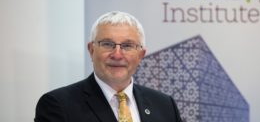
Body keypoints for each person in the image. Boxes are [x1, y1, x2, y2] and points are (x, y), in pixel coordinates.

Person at [34, 11, 182, 122]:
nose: (117, 55)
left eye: (127, 45)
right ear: (91, 50)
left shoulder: (165, 105)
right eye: (107, 44)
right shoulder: (58, 105)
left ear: (141, 55)